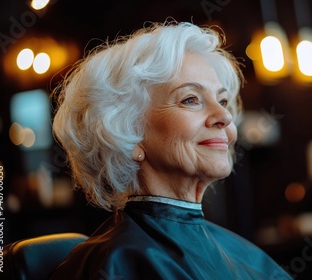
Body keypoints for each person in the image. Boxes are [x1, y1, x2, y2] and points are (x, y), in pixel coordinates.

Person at [50, 21, 291, 280]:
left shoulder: (243, 252)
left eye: (222, 100)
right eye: (190, 99)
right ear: (128, 135)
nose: (224, 115)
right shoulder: (118, 265)